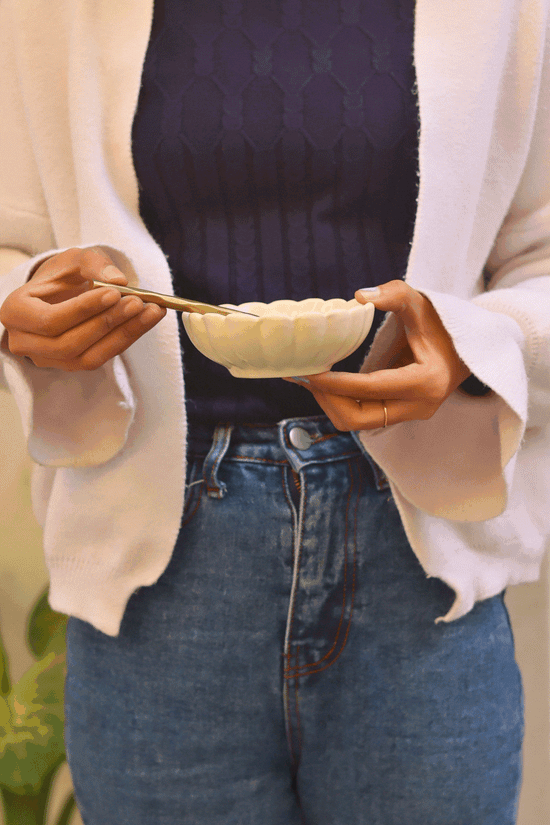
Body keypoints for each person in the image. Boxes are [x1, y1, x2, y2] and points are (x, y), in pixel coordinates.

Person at [1, 0, 549, 822]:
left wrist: (474, 346)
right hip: (160, 569)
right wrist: (23, 306)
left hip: (418, 562)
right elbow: (12, 239)